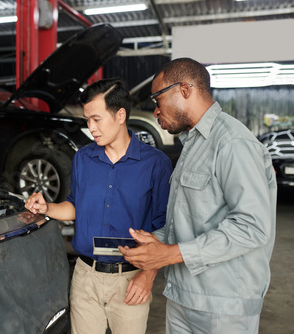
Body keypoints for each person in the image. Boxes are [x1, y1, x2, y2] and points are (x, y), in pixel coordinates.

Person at [119, 58, 277, 334]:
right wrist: (156, 242)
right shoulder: (193, 145)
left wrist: (169, 254)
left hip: (224, 304)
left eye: (158, 98)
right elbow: (193, 218)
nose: (155, 110)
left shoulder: (232, 144)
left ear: (184, 89)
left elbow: (252, 227)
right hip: (184, 295)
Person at [25, 78, 173, 334]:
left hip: (131, 279)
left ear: (120, 115)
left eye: (96, 119)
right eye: (87, 120)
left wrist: (147, 276)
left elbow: (164, 228)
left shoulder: (155, 164)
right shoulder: (83, 158)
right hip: (85, 278)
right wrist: (47, 208)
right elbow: (75, 206)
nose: (90, 128)